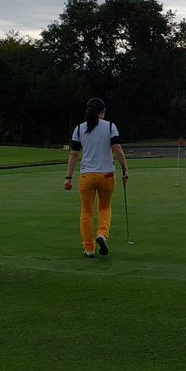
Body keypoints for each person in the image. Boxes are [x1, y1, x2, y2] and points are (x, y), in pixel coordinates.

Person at [64, 98, 130, 257]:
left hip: (86, 175)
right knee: (105, 207)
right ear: (102, 111)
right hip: (107, 174)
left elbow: (74, 154)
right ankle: (102, 234)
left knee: (86, 212)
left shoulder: (79, 129)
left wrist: (68, 177)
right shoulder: (110, 127)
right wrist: (125, 169)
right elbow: (117, 149)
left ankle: (89, 248)